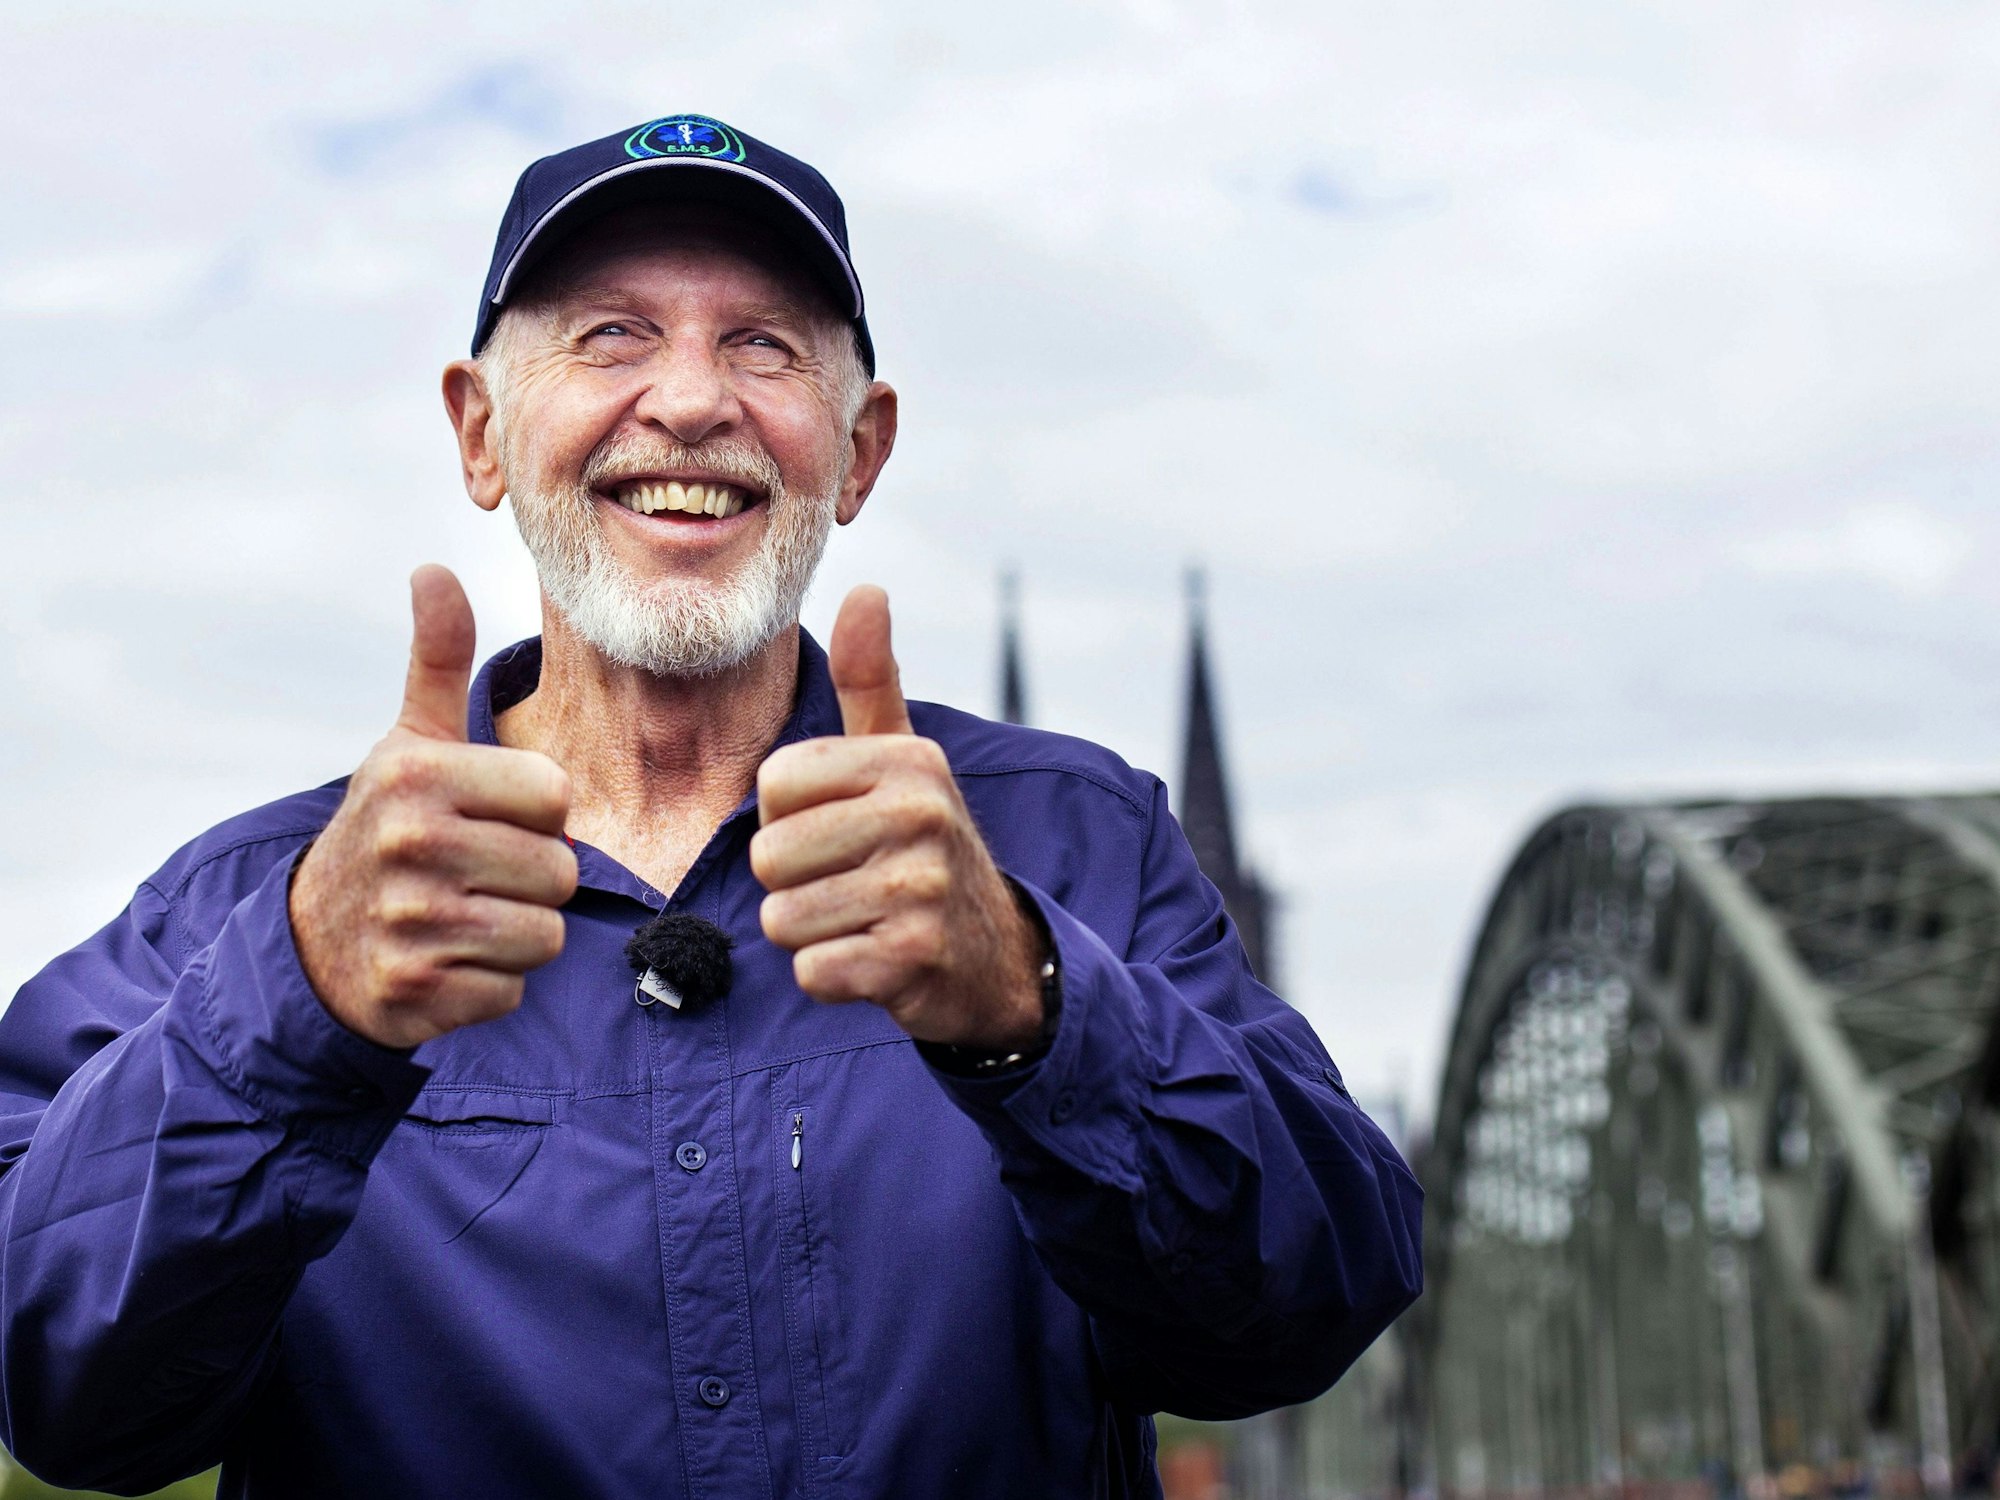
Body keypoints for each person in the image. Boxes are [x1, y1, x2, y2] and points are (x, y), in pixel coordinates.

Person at [0, 114, 1421, 1499]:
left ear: (858, 451)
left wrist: (1040, 1015)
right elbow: (60, 1397)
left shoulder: (1075, 841)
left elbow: (1309, 1302)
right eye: (612, 334)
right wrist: (294, 1005)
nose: (689, 399)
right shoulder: (250, 905)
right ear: (480, 433)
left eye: (763, 344)